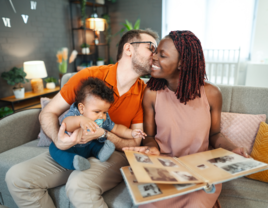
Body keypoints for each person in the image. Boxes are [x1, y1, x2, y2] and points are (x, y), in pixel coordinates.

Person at [5, 29, 159, 208]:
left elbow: (135, 142)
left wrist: (103, 135)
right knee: (17, 177)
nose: (155, 55)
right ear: (128, 49)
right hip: (75, 148)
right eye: (151, 48)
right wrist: (58, 140)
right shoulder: (89, 77)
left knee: (79, 186)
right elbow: (48, 113)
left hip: (111, 153)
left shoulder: (143, 93)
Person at [123, 30, 249, 208]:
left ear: (182, 62)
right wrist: (151, 148)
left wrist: (233, 149)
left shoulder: (212, 94)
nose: (153, 58)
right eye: (155, 52)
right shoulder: (151, 94)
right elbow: (150, 136)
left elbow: (215, 135)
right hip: (164, 168)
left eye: (162, 55)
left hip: (200, 170)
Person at [50, 77, 146, 171]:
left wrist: (132, 133)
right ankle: (75, 162)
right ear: (82, 108)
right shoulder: (76, 113)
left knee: (98, 142)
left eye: (104, 112)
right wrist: (80, 120)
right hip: (69, 147)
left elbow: (116, 128)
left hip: (89, 146)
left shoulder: (103, 118)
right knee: (55, 149)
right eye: (97, 112)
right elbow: (66, 124)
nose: (102, 116)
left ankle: (101, 153)